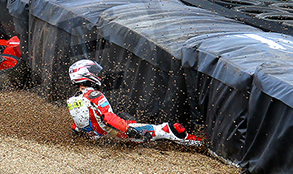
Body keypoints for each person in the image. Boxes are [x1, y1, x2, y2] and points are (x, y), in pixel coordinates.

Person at [66, 59, 202, 146]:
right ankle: (198, 144)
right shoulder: (94, 95)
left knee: (125, 116)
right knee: (169, 129)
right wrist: (129, 130)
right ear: (85, 75)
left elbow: (77, 125)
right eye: (94, 71)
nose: (98, 74)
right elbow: (109, 117)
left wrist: (76, 136)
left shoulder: (73, 100)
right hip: (117, 133)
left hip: (99, 137)